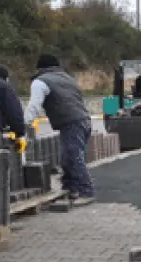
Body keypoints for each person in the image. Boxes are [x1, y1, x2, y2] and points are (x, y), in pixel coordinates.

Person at [24, 54, 95, 205]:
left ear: (40, 68)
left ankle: (86, 192)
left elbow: (34, 107)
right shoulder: (68, 78)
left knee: (74, 157)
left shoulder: (40, 81)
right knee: (67, 157)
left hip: (71, 122)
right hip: (84, 120)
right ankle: (69, 188)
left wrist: (23, 124)